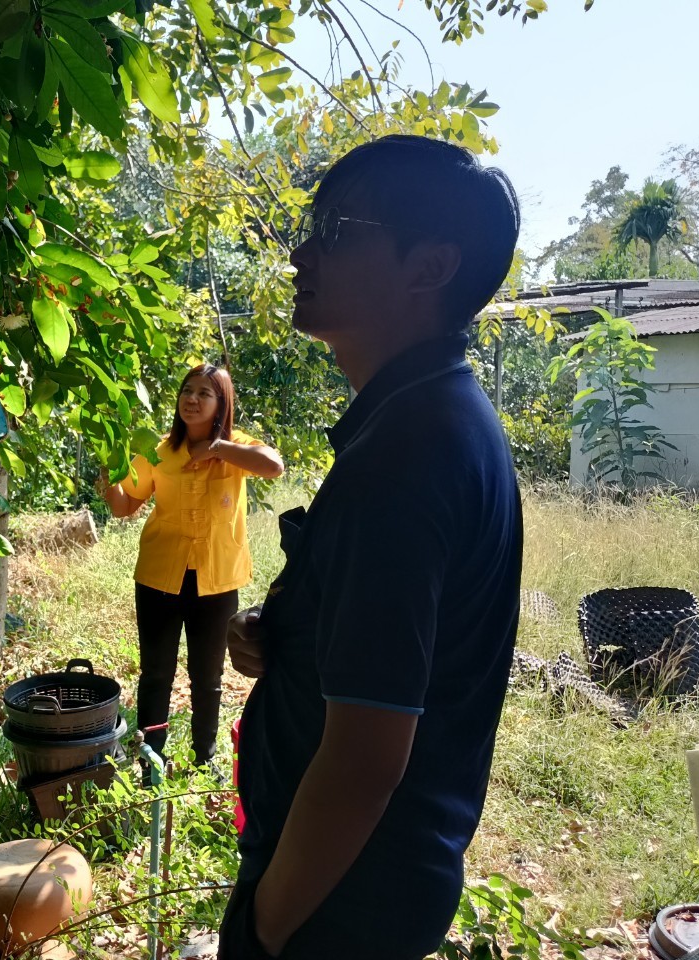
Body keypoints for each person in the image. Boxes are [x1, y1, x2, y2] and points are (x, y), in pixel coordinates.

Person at [217, 135, 523, 960]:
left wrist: (265, 928)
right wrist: (286, 633)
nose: (300, 254)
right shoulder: (429, 418)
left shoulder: (408, 453)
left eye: (337, 231)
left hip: (337, 903)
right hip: (359, 885)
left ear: (430, 267)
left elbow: (364, 761)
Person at [101, 364, 283, 773]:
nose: (192, 399)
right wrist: (109, 472)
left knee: (208, 676)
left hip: (216, 579)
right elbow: (124, 506)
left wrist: (216, 448)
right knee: (156, 673)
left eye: (204, 393)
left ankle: (205, 758)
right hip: (159, 576)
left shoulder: (236, 447)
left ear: (222, 403)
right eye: (187, 390)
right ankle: (151, 760)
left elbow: (273, 465)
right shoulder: (160, 451)